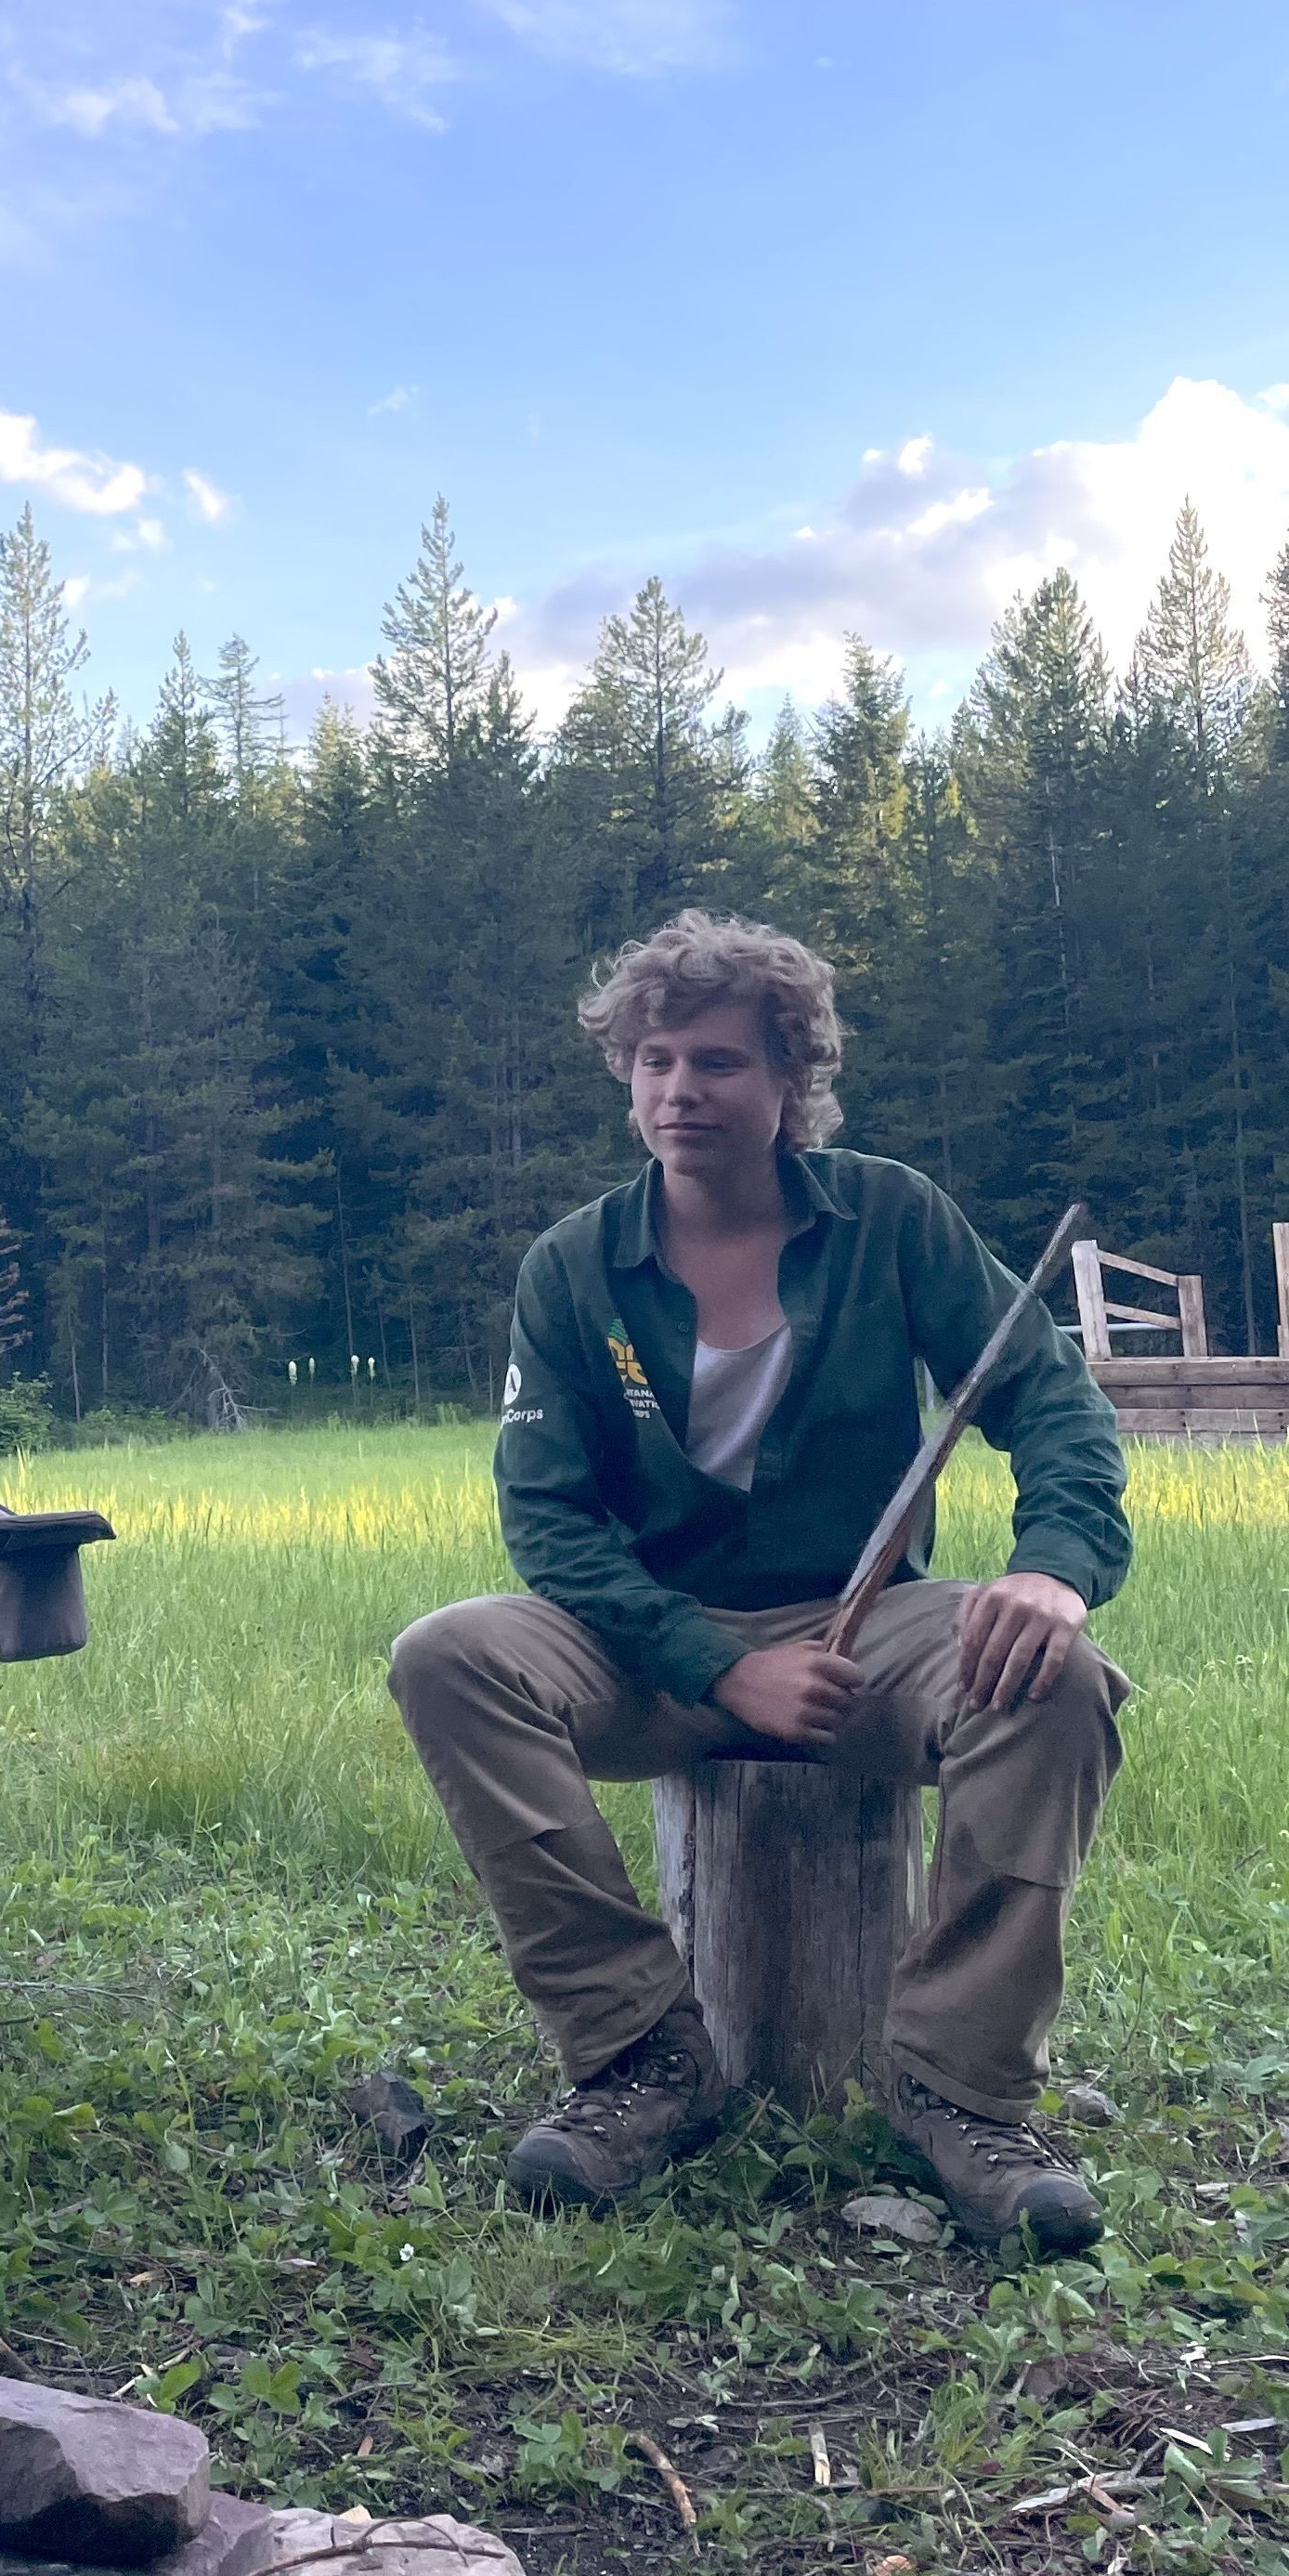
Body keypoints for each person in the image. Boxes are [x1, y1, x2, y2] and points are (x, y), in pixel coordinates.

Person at [389, 911, 1131, 2250]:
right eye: (656, 1059)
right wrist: (719, 1665)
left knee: (1056, 1675)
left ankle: (957, 2090)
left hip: (870, 1635)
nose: (683, 1090)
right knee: (448, 1652)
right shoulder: (572, 1267)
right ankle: (640, 2057)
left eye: (721, 1061)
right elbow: (550, 1524)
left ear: (795, 1081)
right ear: (626, 1077)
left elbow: (1054, 1404)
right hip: (652, 1646)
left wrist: (1054, 1570)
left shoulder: (892, 1220)